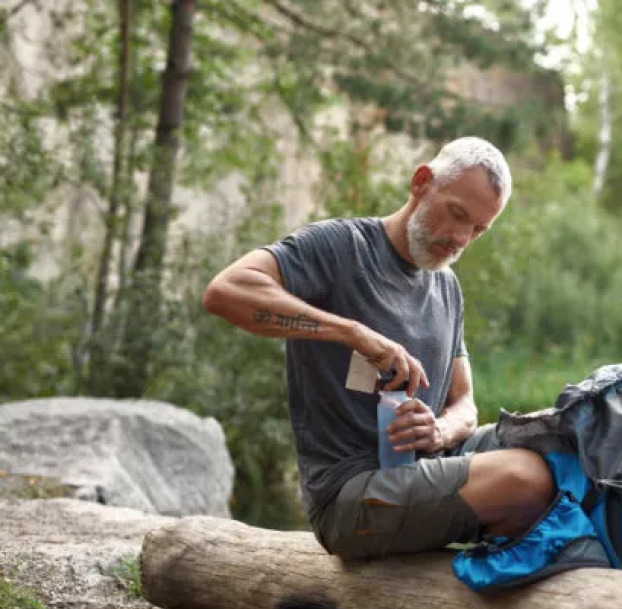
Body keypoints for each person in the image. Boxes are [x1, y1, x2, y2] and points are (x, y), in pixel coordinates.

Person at [202, 137, 554, 559]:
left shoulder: (446, 285)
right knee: (523, 478)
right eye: (457, 214)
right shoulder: (340, 247)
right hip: (349, 497)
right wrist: (354, 333)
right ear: (422, 182)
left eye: (478, 229)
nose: (460, 238)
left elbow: (465, 405)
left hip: (424, 471)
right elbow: (225, 292)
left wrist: (439, 430)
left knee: (559, 445)